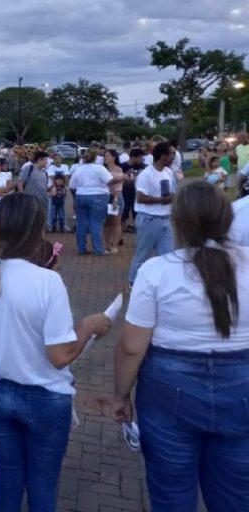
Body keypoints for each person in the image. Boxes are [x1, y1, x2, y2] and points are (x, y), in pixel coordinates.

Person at [0, 193, 110, 512]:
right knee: (42, 484)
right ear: (38, 230)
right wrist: (88, 326)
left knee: (9, 477)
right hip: (46, 397)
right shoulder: (48, 282)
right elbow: (60, 356)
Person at [112, 182, 249, 511]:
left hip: (169, 388)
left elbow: (132, 346)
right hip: (242, 385)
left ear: (177, 221)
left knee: (171, 493)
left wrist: (121, 395)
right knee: (236, 494)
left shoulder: (157, 271)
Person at [128, 141, 177, 286]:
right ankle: (133, 282)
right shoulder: (146, 174)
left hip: (165, 220)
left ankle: (166, 284)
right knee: (142, 255)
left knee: (169, 256)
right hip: (148, 220)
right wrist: (164, 199)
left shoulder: (169, 172)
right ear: (162, 156)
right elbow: (141, 198)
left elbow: (172, 192)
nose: (173, 157)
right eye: (171, 154)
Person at [70, 150, 114, 256]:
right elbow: (110, 181)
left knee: (81, 223)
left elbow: (71, 186)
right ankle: (98, 249)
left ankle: (82, 248)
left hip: (80, 196)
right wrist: (122, 178)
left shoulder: (79, 169)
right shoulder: (99, 168)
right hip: (98, 196)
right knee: (96, 223)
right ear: (95, 158)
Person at [104, 150, 125, 255]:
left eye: (108, 156)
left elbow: (118, 186)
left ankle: (115, 245)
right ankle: (107, 244)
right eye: (105, 156)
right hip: (105, 197)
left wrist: (115, 199)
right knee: (107, 223)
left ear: (114, 157)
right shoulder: (103, 169)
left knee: (116, 222)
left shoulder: (118, 169)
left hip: (115, 196)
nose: (106, 157)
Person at [121, 148, 145, 233]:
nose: (142, 159)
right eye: (140, 157)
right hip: (125, 192)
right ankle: (120, 236)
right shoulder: (123, 166)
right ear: (133, 157)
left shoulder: (143, 166)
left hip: (137, 193)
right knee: (124, 213)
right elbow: (120, 179)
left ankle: (139, 234)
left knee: (137, 213)